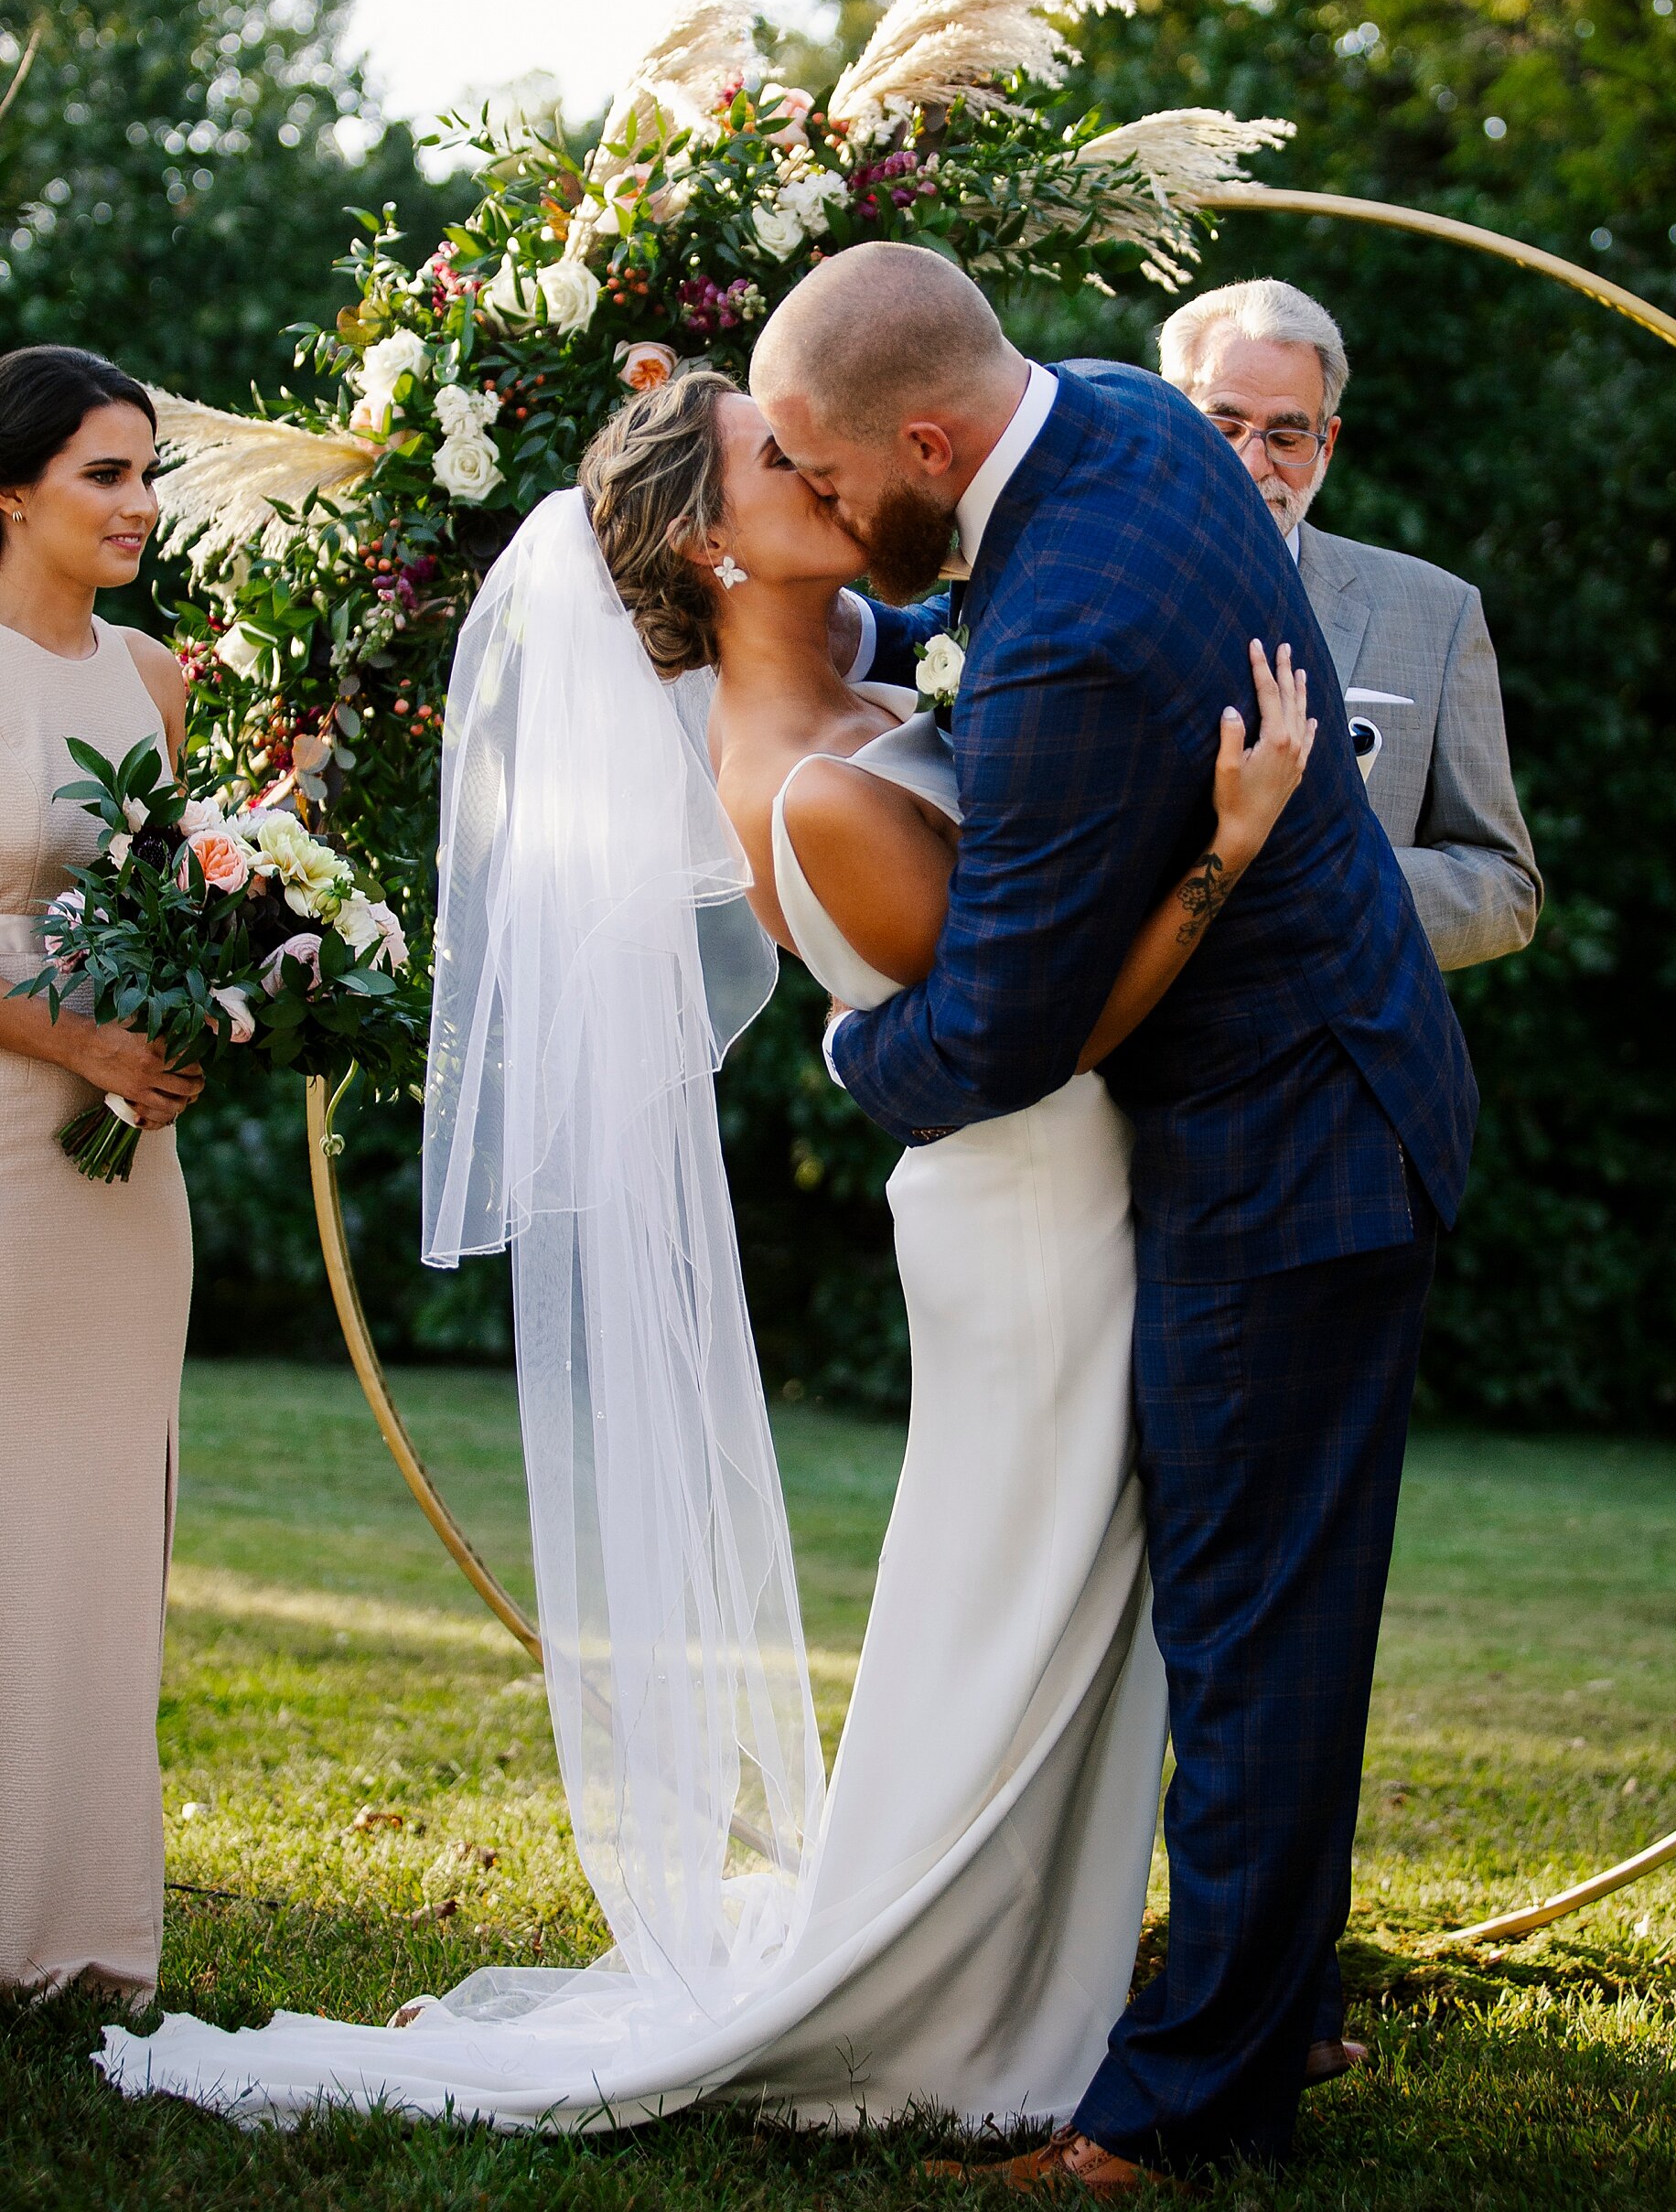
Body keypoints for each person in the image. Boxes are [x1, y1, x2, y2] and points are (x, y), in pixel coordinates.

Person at [98, 364, 1314, 2129]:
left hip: (1085, 1198)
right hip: (1032, 1220)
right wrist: (1227, 852)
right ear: (705, 544)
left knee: (1054, 1609)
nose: (817, 469)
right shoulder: (805, 786)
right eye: (773, 458)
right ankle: (942, 1996)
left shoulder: (868, 670)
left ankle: (1019, 1968)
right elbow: (1027, 1040)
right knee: (1020, 1604)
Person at [749, 245, 1477, 2184]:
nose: (827, 517)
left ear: (924, 437)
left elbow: (994, 1034)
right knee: (1268, 1612)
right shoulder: (1129, 417)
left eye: (829, 481)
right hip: (1318, 1091)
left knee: (1252, 1637)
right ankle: (1281, 2006)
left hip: (1286, 1144)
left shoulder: (1063, 617)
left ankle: (1180, 2114)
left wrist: (843, 1052)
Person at [0, 344, 199, 2005]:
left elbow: (192, 902)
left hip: (125, 1167)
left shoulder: (155, 679)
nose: (140, 506)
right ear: (10, 488)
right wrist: (71, 1046)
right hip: (11, 1121)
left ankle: (70, 1922)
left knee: (91, 1512)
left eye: (146, 475)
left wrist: (224, 996)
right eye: (103, 476)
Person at [1159, 277, 1541, 974]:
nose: (1253, 463)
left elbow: (1505, 887)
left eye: (1287, 434)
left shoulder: (1438, 613)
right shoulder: (1088, 584)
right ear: (1170, 424)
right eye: (1224, 425)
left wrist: (1324, 888)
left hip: (1328, 1063)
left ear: (1326, 443)